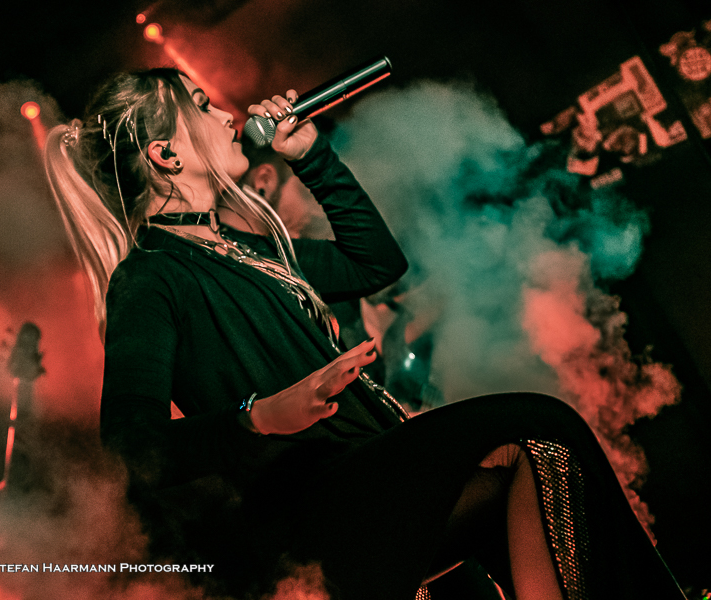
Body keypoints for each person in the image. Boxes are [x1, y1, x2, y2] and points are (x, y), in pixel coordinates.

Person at [43, 67, 686, 600]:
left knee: (527, 483)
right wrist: (260, 417)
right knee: (537, 424)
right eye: (203, 106)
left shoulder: (250, 249)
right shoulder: (149, 277)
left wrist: (313, 157)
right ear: (166, 154)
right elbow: (131, 445)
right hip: (313, 505)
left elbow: (375, 264)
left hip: (371, 466)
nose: (227, 115)